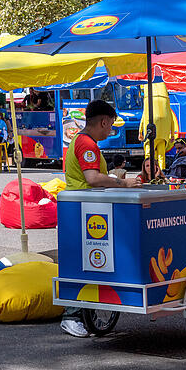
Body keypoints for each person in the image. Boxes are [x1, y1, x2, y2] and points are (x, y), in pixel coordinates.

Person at [61, 100, 141, 339]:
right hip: (83, 211)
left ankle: (84, 313)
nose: (111, 130)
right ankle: (72, 316)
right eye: (111, 125)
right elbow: (93, 178)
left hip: (84, 210)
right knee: (83, 265)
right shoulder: (87, 144)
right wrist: (124, 183)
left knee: (91, 264)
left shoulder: (81, 140)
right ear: (104, 121)